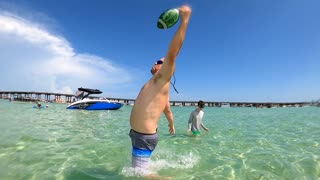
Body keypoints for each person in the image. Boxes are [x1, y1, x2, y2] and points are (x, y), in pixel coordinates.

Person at [129, 5, 192, 177]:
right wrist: (172, 125)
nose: (155, 62)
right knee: (140, 170)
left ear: (165, 67)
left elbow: (173, 53)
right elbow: (167, 109)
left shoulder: (161, 78)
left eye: (159, 61)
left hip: (143, 136)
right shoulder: (159, 87)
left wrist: (185, 20)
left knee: (141, 175)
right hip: (139, 134)